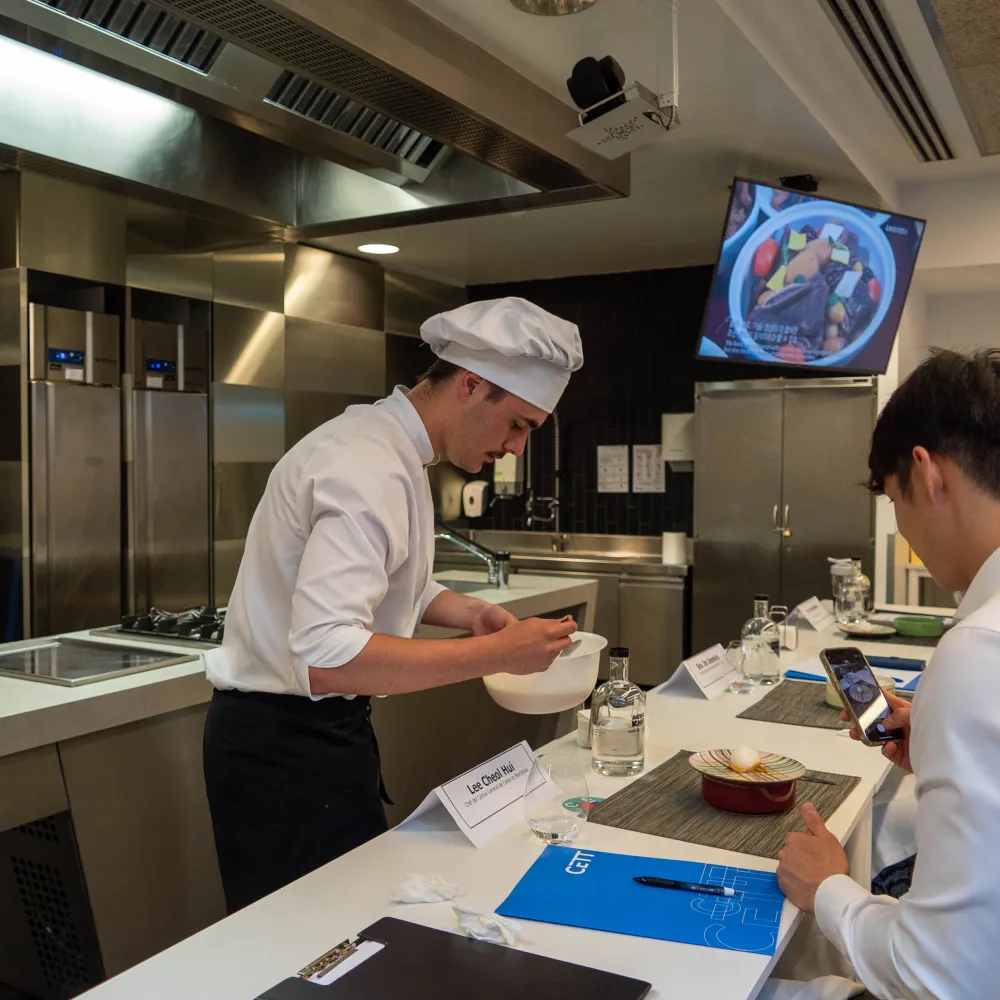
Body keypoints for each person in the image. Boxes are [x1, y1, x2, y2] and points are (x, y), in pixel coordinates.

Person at [202, 297, 583, 912]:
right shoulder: (367, 465)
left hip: (318, 736)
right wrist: (496, 654)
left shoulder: (392, 448)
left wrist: (472, 615)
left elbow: (386, 583)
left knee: (349, 935)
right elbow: (327, 657)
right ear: (471, 384)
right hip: (283, 752)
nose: (516, 448)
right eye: (518, 425)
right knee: (308, 950)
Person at [775, 348, 1000, 998]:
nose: (905, 531)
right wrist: (934, 743)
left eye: (895, 499)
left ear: (926, 474)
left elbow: (941, 976)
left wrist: (830, 890)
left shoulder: (978, 650)